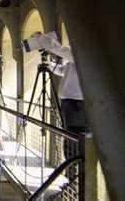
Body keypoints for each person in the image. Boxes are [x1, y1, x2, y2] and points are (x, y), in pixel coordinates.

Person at [35, 32, 88, 160]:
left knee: (72, 137)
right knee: (69, 135)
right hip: (69, 102)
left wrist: (40, 38)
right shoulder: (74, 59)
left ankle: (73, 171)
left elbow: (59, 49)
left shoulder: (81, 53)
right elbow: (61, 71)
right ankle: (71, 172)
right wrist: (52, 59)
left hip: (77, 104)